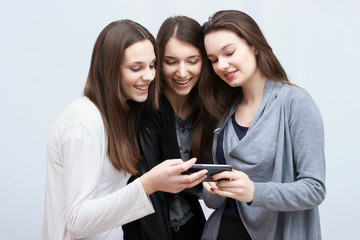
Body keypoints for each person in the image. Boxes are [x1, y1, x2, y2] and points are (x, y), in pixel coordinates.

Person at [41, 19, 208, 240]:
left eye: (151, 65)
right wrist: (149, 183)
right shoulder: (84, 120)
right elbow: (76, 221)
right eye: (136, 68)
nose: (149, 76)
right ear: (109, 69)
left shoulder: (120, 116)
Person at [198, 10, 326, 240]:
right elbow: (213, 201)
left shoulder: (294, 103)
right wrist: (214, 189)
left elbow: (314, 189)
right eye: (214, 60)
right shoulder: (224, 113)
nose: (222, 65)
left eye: (229, 52)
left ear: (254, 45)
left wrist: (255, 191)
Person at [123, 16, 213, 240]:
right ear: (158, 62)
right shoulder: (148, 108)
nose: (182, 73)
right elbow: (146, 186)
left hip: (192, 224)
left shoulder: (207, 107)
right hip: (149, 227)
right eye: (171, 62)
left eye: (192, 61)